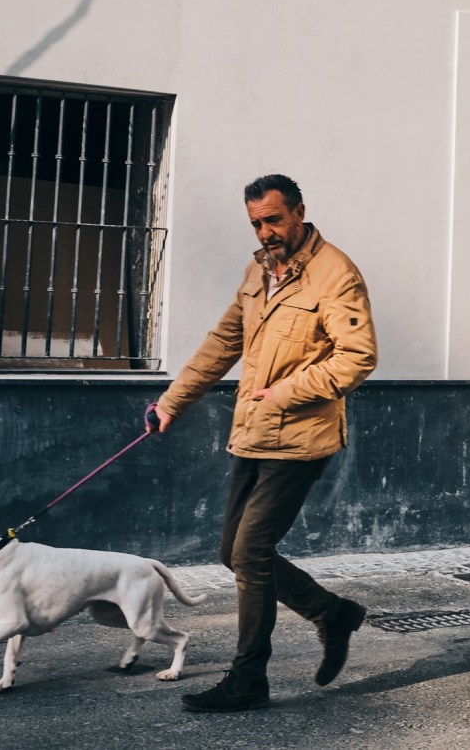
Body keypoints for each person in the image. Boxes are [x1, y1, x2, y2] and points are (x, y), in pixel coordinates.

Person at [150, 173, 377, 713]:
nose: (265, 231)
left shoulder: (335, 274)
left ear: (299, 212)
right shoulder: (260, 270)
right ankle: (331, 612)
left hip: (300, 437)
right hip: (253, 433)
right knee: (232, 552)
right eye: (256, 222)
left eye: (274, 219)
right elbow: (224, 340)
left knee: (251, 554)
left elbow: (357, 356)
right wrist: (171, 402)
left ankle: (248, 679)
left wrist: (285, 393)